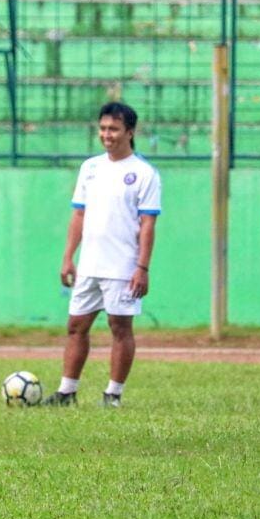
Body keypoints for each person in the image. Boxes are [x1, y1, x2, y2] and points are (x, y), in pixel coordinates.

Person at [43, 102, 161, 408]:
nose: (107, 135)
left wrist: (142, 267)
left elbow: (148, 225)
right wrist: (69, 257)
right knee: (76, 326)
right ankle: (67, 392)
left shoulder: (144, 173)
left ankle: (113, 395)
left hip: (123, 267)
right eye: (103, 128)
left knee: (120, 328)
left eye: (114, 129)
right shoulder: (90, 168)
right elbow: (78, 216)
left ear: (130, 132)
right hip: (89, 265)